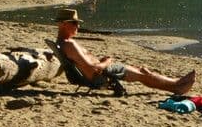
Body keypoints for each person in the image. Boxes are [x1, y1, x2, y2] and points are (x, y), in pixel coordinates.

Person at [53, 8, 194, 96]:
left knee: (142, 72)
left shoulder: (62, 43)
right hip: (102, 74)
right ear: (64, 24)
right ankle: (176, 86)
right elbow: (93, 68)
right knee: (143, 73)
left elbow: (84, 65)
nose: (78, 25)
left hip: (97, 73)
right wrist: (106, 62)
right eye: (74, 23)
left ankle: (176, 84)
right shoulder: (69, 44)